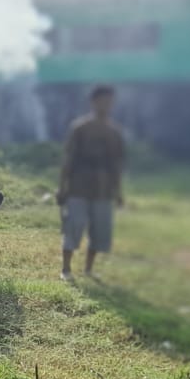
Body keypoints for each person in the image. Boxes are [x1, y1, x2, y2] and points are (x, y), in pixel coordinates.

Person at [58, 85, 125, 282]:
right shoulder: (80, 128)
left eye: (109, 101)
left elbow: (117, 164)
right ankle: (66, 269)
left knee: (100, 229)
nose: (106, 105)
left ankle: (88, 269)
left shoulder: (114, 132)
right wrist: (63, 187)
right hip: (78, 185)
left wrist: (118, 192)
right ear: (93, 102)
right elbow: (68, 159)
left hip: (103, 188)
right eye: (102, 100)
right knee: (74, 226)